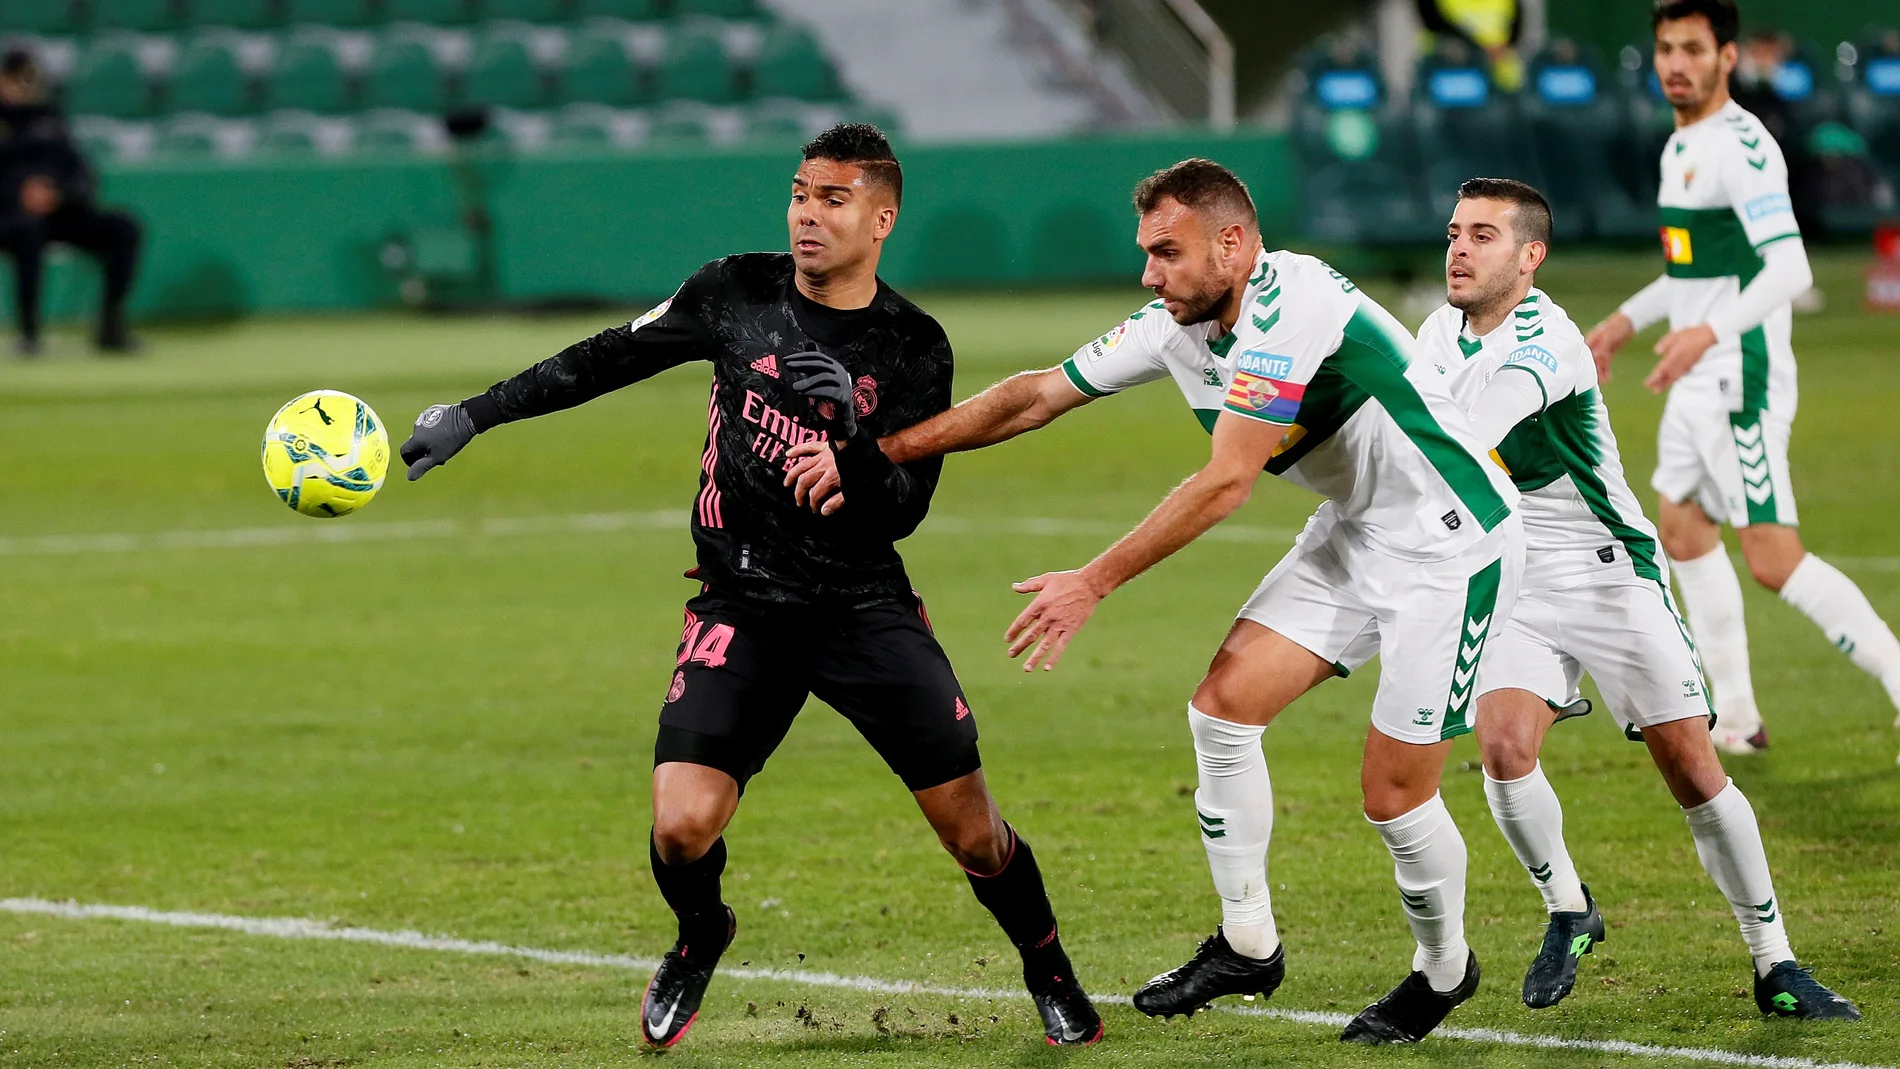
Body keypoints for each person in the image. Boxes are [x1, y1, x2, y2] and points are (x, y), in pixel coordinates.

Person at [396, 124, 1103, 1050]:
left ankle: (1047, 965)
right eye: (801, 193)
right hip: (741, 604)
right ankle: (701, 933)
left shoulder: (912, 345)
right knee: (683, 824)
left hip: (861, 609)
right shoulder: (734, 290)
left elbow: (900, 513)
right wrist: (475, 415)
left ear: (882, 217)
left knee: (974, 835)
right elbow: (608, 355)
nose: (809, 215)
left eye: (834, 199)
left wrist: (848, 427)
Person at [787, 158, 1523, 1045]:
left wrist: (1090, 581)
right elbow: (1036, 397)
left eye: (1166, 252)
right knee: (1222, 709)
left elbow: (1225, 482)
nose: (1149, 273)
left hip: (1455, 540)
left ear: (1234, 243)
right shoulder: (1178, 322)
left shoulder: (1293, 306)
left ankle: (1442, 971)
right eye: (1145, 253)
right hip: (1360, 529)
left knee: (1393, 795)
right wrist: (881, 452)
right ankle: (1249, 942)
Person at [1421, 176, 1858, 1019]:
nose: (1460, 249)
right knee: (1505, 748)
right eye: (1453, 232)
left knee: (1692, 766)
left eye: (1482, 235)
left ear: (1529, 256)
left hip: (1609, 570)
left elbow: (1467, 429)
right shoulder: (1438, 332)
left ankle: (1776, 962)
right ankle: (1569, 908)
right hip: (1517, 573)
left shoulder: (1550, 341)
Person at [1586, 0, 1900, 760]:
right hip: (1696, 373)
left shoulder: (1743, 145)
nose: (1675, 63)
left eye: (1693, 48)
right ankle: (1736, 716)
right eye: (1665, 48)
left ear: (1728, 57)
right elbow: (1694, 273)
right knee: (1685, 531)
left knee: (1770, 557)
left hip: (1739, 376)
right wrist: (1627, 320)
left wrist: (1707, 333)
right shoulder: (1681, 144)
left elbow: (1789, 268)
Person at [0, 48, 141, 355]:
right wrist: (19, 195)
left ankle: (110, 327)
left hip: (58, 212)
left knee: (124, 227)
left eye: (30, 78)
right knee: (28, 232)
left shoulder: (50, 120)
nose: (25, 86)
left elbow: (81, 172)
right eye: (17, 79)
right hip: (10, 216)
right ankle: (29, 334)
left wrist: (58, 193)